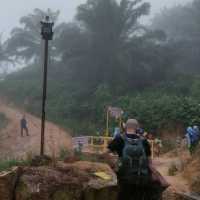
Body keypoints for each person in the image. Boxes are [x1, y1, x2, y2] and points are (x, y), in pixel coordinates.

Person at [108, 119, 162, 200]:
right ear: (137, 128)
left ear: (125, 127)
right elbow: (149, 162)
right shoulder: (144, 141)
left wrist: (114, 165)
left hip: (125, 179)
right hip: (143, 179)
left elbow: (104, 154)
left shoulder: (119, 139)